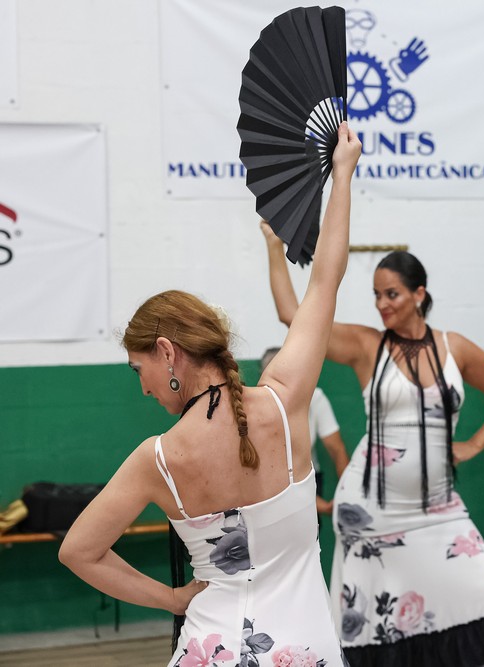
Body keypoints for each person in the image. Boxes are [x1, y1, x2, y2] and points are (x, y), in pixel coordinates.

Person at [59, 122, 362, 667]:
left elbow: (79, 552)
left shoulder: (158, 457)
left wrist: (173, 599)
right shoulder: (285, 400)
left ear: (167, 352)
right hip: (306, 650)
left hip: (212, 649)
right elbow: (325, 280)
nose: (144, 387)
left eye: (139, 369)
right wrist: (342, 176)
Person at [262, 229, 484, 666]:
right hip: (371, 512)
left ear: (419, 294)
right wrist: (274, 246)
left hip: (439, 508)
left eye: (391, 294)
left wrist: (475, 443)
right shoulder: (367, 345)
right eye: (376, 295)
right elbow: (292, 316)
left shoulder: (454, 347)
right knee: (381, 625)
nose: (381, 304)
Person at [260, 346, 349, 514]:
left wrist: (349, 493)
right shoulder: (260, 406)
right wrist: (319, 505)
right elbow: (274, 471)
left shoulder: (314, 397)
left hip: (309, 478)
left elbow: (336, 448)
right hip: (274, 488)